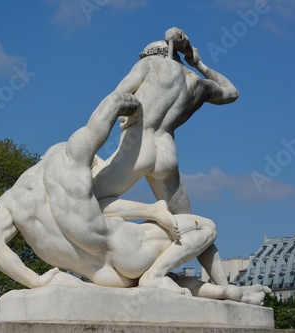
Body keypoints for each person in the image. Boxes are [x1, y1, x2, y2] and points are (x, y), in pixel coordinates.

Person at [0, 92, 269, 304]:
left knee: (178, 281)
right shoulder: (71, 157)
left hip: (104, 277)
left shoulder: (9, 203)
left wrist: (36, 281)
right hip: (128, 250)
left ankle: (228, 293)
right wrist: (133, 109)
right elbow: (108, 110)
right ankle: (157, 276)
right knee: (206, 227)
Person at [91, 27, 239, 286]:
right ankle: (226, 289)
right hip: (166, 152)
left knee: (88, 200)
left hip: (137, 146)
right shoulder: (198, 84)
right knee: (190, 224)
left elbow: (114, 100)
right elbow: (231, 92)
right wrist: (198, 63)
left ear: (149, 54)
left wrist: (87, 147)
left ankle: (143, 237)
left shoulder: (150, 64)